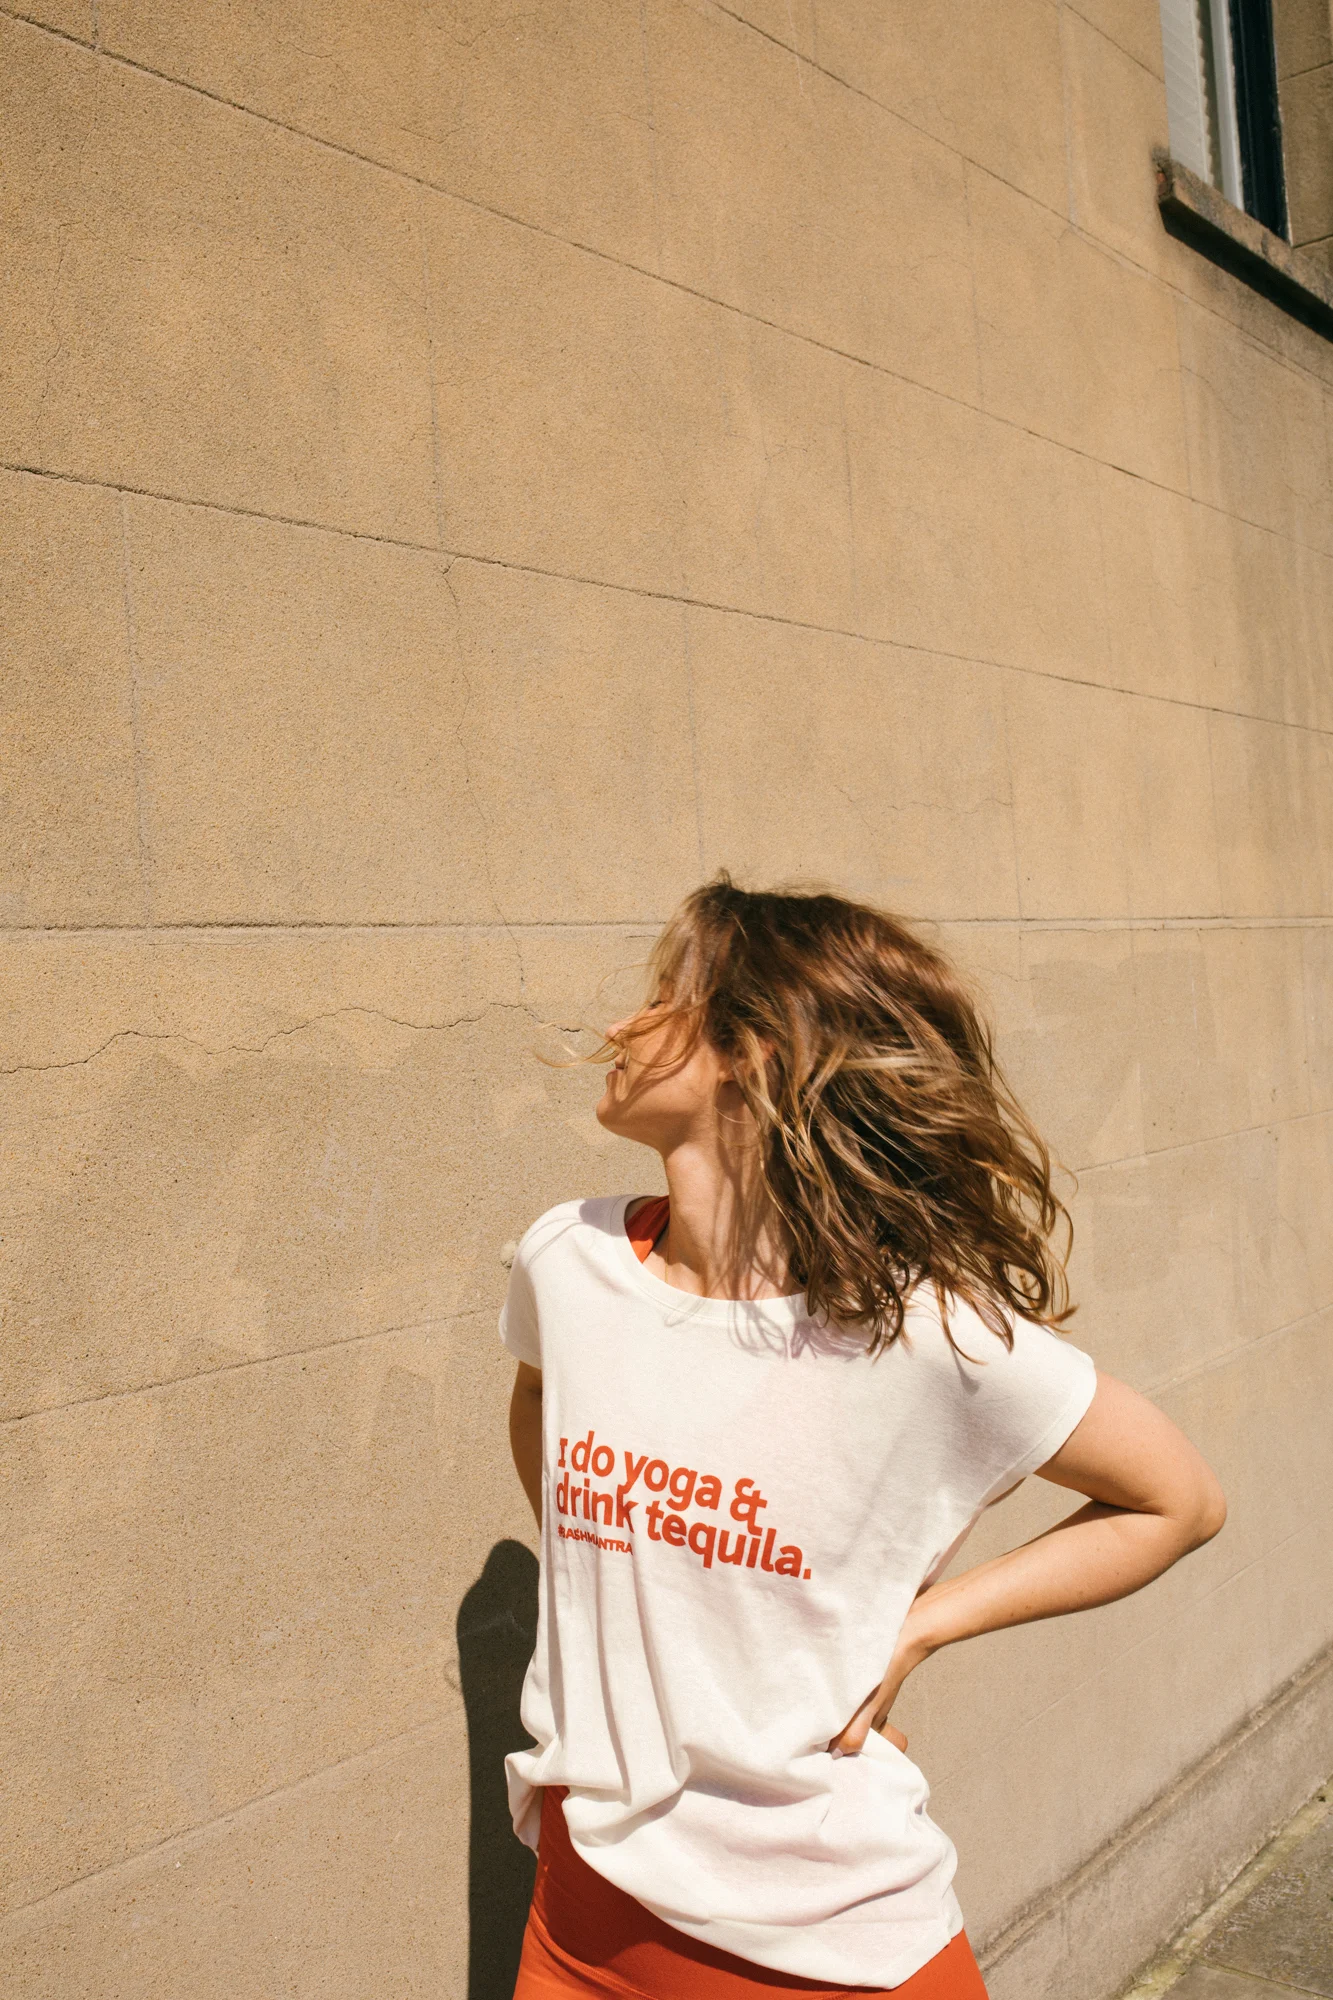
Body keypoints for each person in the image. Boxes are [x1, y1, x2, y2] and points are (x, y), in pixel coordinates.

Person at [500, 876, 1226, 1999]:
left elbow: (1177, 1499)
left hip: (828, 1949)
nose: (619, 1025)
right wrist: (627, 1586)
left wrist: (921, 1626)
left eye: (662, 998)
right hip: (575, 1926)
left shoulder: (924, 1332)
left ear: (753, 1053)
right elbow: (542, 1403)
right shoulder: (568, 1259)